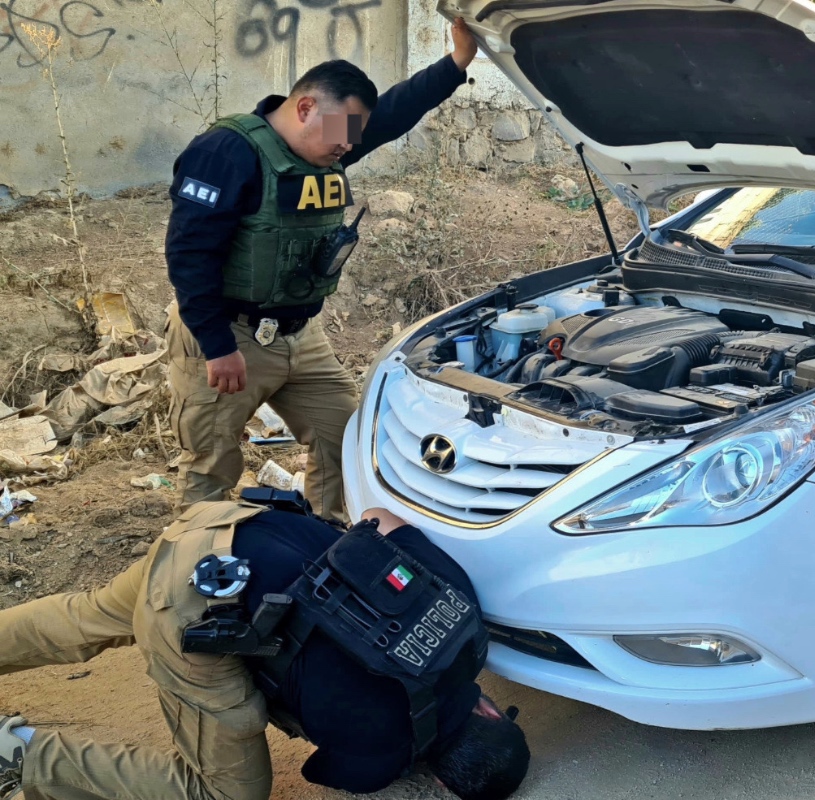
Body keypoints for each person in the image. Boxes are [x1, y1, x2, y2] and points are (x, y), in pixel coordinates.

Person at [0, 497, 530, 800]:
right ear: (437, 778)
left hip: (228, 527)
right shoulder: (378, 758)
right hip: (200, 611)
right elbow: (321, 772)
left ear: (489, 709)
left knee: (89, 614)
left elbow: (377, 518)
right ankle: (20, 750)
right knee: (229, 796)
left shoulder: (465, 617)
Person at [164, 19, 480, 523]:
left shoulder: (329, 142)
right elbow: (189, 254)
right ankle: (197, 576)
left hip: (300, 337)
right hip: (229, 334)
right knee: (210, 467)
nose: (350, 147)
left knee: (345, 439)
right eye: (344, 133)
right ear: (306, 107)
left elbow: (397, 110)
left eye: (354, 135)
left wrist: (456, 63)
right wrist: (217, 346)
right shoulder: (226, 152)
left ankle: (325, 548)